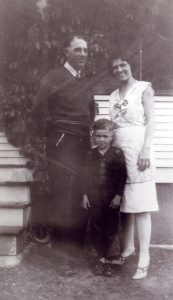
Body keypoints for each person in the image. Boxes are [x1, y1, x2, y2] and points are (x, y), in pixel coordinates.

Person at [32, 34, 95, 248]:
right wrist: (52, 137)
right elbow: (38, 110)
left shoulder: (84, 80)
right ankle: (61, 251)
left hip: (82, 143)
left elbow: (91, 112)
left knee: (80, 191)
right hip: (61, 143)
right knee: (62, 193)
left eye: (85, 50)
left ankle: (75, 248)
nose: (83, 54)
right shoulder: (53, 77)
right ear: (66, 52)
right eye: (78, 49)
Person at [109, 54, 159, 279]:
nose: (120, 70)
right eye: (115, 67)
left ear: (130, 66)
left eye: (123, 65)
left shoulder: (143, 88)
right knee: (124, 203)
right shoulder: (112, 96)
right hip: (119, 152)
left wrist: (146, 149)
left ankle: (144, 257)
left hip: (139, 151)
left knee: (141, 205)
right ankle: (128, 247)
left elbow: (151, 120)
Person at [82, 118, 126, 276]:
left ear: (111, 136)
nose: (101, 139)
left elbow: (122, 176)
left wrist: (118, 195)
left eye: (105, 136)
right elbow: (84, 176)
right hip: (94, 195)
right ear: (93, 136)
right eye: (98, 136)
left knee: (111, 227)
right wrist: (85, 195)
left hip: (111, 197)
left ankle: (110, 260)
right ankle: (99, 260)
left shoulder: (117, 153)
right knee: (96, 226)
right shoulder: (90, 154)